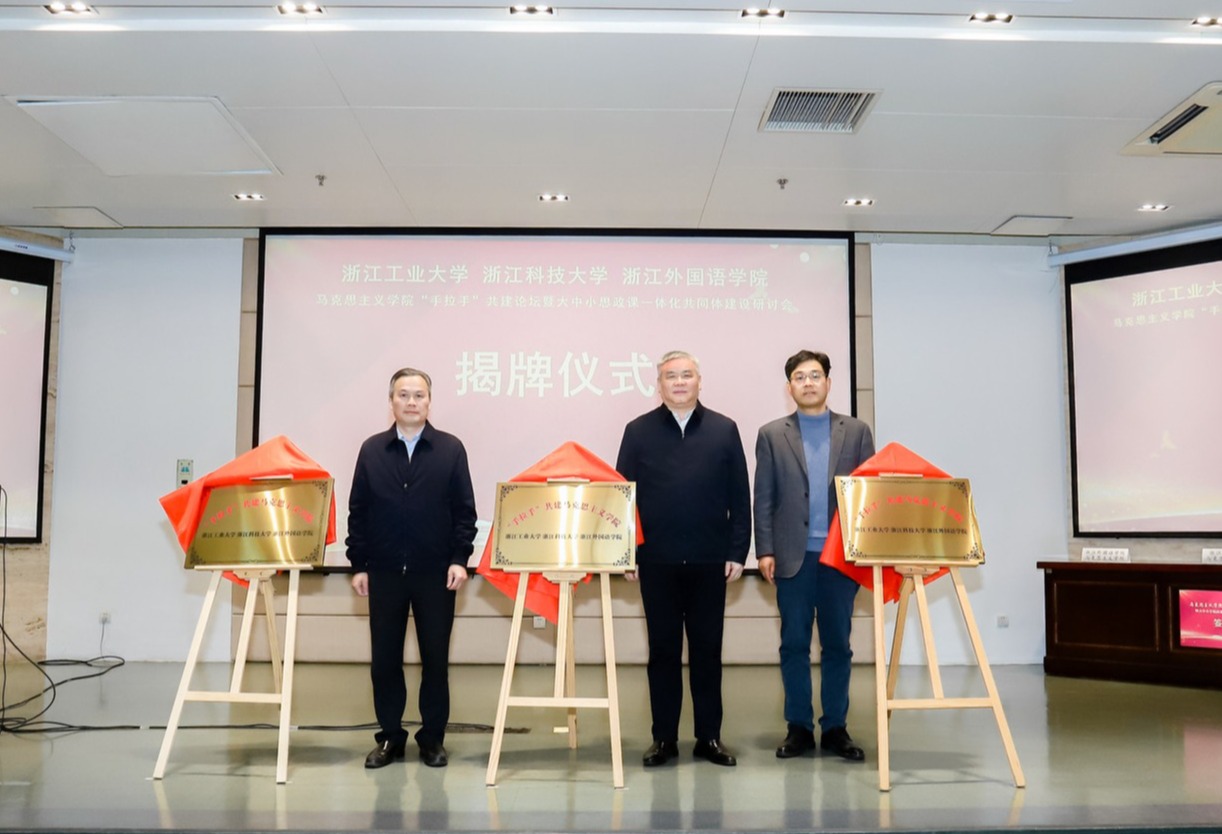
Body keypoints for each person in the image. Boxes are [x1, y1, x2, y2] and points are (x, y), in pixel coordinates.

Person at [615, 350, 751, 768]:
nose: (679, 382)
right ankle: (664, 739)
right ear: (658, 385)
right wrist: (626, 553)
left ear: (699, 381)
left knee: (708, 652)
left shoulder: (724, 429)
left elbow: (739, 495)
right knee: (663, 653)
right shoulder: (637, 431)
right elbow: (623, 498)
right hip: (657, 561)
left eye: (686, 375)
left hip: (711, 560)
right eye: (670, 376)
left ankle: (709, 737)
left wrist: (737, 551)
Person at [346, 367, 477, 769]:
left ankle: (432, 739)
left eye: (419, 395)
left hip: (435, 574)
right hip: (384, 572)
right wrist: (359, 564)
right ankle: (390, 737)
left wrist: (459, 558)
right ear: (391, 402)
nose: (411, 402)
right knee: (385, 661)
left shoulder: (451, 449)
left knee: (435, 661)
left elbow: (464, 512)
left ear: (429, 402)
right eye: (403, 395)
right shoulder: (372, 450)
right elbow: (358, 511)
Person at [753, 349, 875, 762]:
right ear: (789, 387)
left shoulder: (856, 432)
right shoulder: (772, 434)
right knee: (794, 645)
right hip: (793, 557)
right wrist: (764, 549)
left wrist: (865, 547)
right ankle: (799, 728)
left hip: (840, 558)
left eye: (815, 375)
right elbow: (763, 496)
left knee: (838, 644)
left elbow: (867, 495)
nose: (808, 383)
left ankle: (836, 727)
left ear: (828, 382)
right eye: (800, 377)